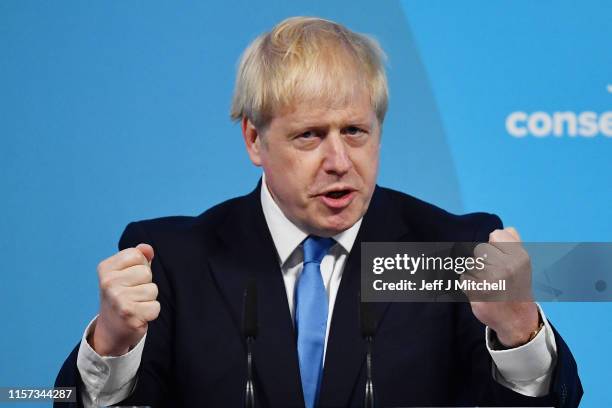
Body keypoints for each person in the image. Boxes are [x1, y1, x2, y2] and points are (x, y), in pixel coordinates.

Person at [55, 16, 582, 407]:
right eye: (309, 135)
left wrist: (519, 334)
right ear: (254, 139)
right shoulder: (172, 261)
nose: (338, 161)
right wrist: (112, 347)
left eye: (355, 131)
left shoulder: (451, 252)